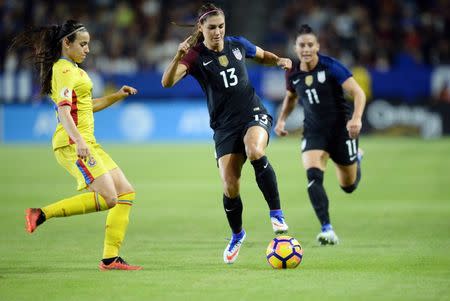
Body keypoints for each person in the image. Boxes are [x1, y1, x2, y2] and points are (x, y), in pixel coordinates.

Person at [162, 3, 292, 264]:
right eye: (211, 27)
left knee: (255, 150)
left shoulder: (237, 44)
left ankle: (276, 213)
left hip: (252, 112)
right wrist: (178, 56)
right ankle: (237, 234)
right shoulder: (195, 56)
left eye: (221, 26)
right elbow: (167, 82)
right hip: (224, 126)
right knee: (230, 186)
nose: (217, 32)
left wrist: (278, 60)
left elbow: (262, 54)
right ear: (201, 28)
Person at [11, 20, 142, 270]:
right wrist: (79, 141)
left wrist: (116, 96)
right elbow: (63, 112)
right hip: (73, 143)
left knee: (126, 192)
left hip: (88, 142)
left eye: (88, 44)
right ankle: (41, 213)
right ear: (66, 43)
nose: (87, 49)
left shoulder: (76, 70)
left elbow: (85, 106)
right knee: (109, 198)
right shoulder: (63, 70)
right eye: (82, 44)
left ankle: (110, 258)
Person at [275, 24, 366, 245]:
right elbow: (291, 98)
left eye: (310, 44)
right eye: (301, 45)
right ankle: (327, 229)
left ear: (317, 46)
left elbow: (358, 92)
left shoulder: (331, 67)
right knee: (313, 177)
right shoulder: (293, 72)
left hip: (341, 132)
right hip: (314, 132)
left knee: (349, 186)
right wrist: (281, 120)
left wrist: (356, 119)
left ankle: (357, 157)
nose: (306, 49)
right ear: (295, 48)